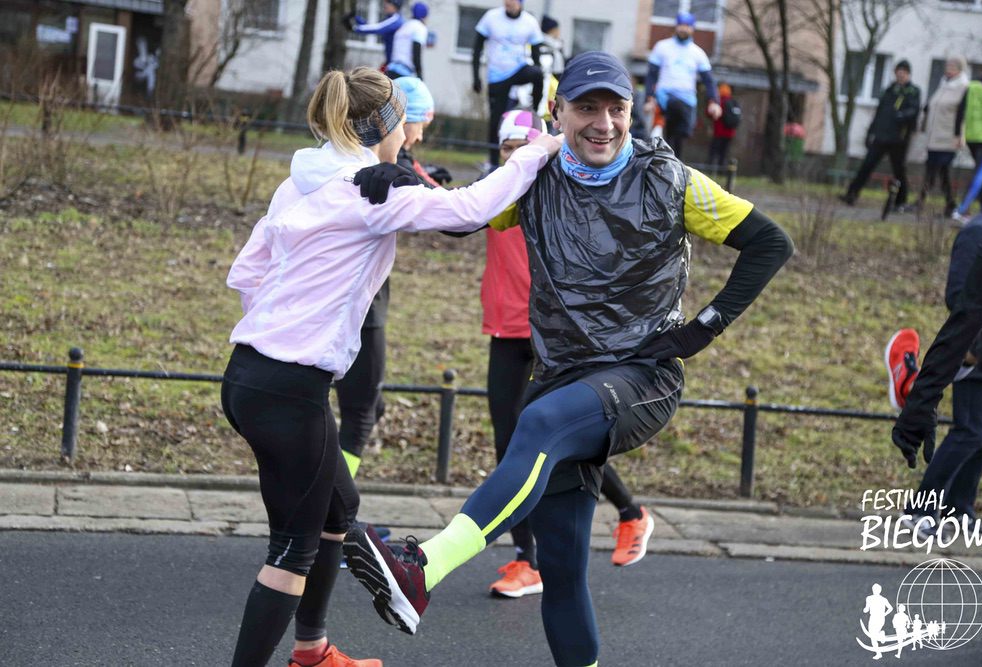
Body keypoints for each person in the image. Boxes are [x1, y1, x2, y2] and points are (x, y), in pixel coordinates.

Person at [343, 52, 793, 667]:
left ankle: (423, 568)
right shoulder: (535, 176)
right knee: (561, 571)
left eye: (617, 109)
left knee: (538, 423)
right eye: (587, 108)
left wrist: (700, 331)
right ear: (558, 113)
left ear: (632, 112)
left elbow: (770, 242)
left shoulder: (670, 179)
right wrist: (395, 173)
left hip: (642, 377)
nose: (603, 123)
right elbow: (460, 216)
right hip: (561, 376)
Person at [221, 66, 561, 667]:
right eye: (403, 123)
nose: (407, 136)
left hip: (249, 374)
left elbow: (247, 273)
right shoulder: (369, 195)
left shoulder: (299, 182)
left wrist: (283, 326)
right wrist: (539, 149)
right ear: (385, 125)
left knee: (338, 514)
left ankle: (313, 651)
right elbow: (470, 209)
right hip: (291, 389)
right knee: (291, 551)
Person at [482, 110, 655, 599]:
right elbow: (451, 211)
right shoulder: (494, 192)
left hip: (550, 336)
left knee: (554, 442)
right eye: (506, 148)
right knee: (509, 447)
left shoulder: (556, 191)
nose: (514, 156)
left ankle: (626, 513)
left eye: (523, 147)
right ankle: (529, 559)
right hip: (505, 331)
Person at [336, 75, 440, 489]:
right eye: (419, 124)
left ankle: (326, 502)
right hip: (365, 309)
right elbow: (455, 215)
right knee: (361, 413)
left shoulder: (346, 160)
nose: (419, 135)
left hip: (353, 302)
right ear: (397, 122)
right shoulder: (389, 169)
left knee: (368, 408)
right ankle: (332, 509)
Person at [890, 172, 982, 534]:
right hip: (977, 347)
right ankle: (921, 508)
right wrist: (976, 346)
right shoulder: (980, 230)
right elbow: (962, 296)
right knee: (972, 430)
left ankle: (959, 509)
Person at [472, 0, 545, 168]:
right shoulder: (491, 17)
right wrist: (476, 77)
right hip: (497, 75)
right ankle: (493, 161)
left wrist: (538, 87)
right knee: (496, 120)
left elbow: (536, 55)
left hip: (518, 69)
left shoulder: (529, 22)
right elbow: (476, 49)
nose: (508, 3)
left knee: (537, 73)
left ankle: (535, 108)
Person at [839, 60, 920, 209]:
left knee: (899, 170)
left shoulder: (913, 92)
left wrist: (902, 116)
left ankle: (900, 201)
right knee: (867, 165)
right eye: (898, 72)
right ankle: (852, 194)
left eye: (903, 73)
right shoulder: (889, 90)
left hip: (899, 139)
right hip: (881, 136)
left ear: (908, 74)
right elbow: (879, 113)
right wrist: (871, 132)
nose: (900, 75)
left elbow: (914, 111)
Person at [644, 11, 721, 159]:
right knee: (669, 130)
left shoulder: (697, 53)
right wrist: (649, 98)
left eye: (687, 26)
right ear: (676, 26)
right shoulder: (662, 47)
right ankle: (664, 160)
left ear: (692, 28)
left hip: (687, 99)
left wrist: (714, 102)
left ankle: (674, 161)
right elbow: (651, 75)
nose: (683, 29)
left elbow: (708, 80)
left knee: (682, 134)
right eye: (681, 25)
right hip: (665, 96)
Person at [918, 56, 969, 217]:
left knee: (942, 170)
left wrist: (958, 136)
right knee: (933, 169)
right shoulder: (943, 85)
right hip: (934, 136)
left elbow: (962, 113)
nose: (949, 69)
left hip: (948, 137)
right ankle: (935, 201)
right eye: (948, 66)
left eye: (953, 67)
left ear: (960, 69)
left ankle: (944, 202)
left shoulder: (963, 87)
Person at [953, 56, 982, 221]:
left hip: (971, 136)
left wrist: (957, 134)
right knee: (980, 174)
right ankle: (962, 210)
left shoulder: (974, 84)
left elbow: (960, 110)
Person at [347, 0, 405, 68]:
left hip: (397, 64)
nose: (385, 5)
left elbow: (378, 28)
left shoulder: (396, 20)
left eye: (388, 3)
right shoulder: (390, 19)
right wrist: (356, 18)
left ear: (395, 5)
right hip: (391, 62)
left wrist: (354, 28)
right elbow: (371, 26)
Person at [386, 3, 429, 79]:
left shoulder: (405, 25)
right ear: (424, 16)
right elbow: (416, 51)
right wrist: (420, 76)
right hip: (404, 72)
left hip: (391, 68)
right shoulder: (420, 27)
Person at [708, 82, 738, 169]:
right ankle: (722, 169)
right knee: (724, 152)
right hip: (730, 133)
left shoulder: (719, 102)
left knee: (714, 151)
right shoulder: (733, 102)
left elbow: (709, 113)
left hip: (719, 131)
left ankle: (711, 168)